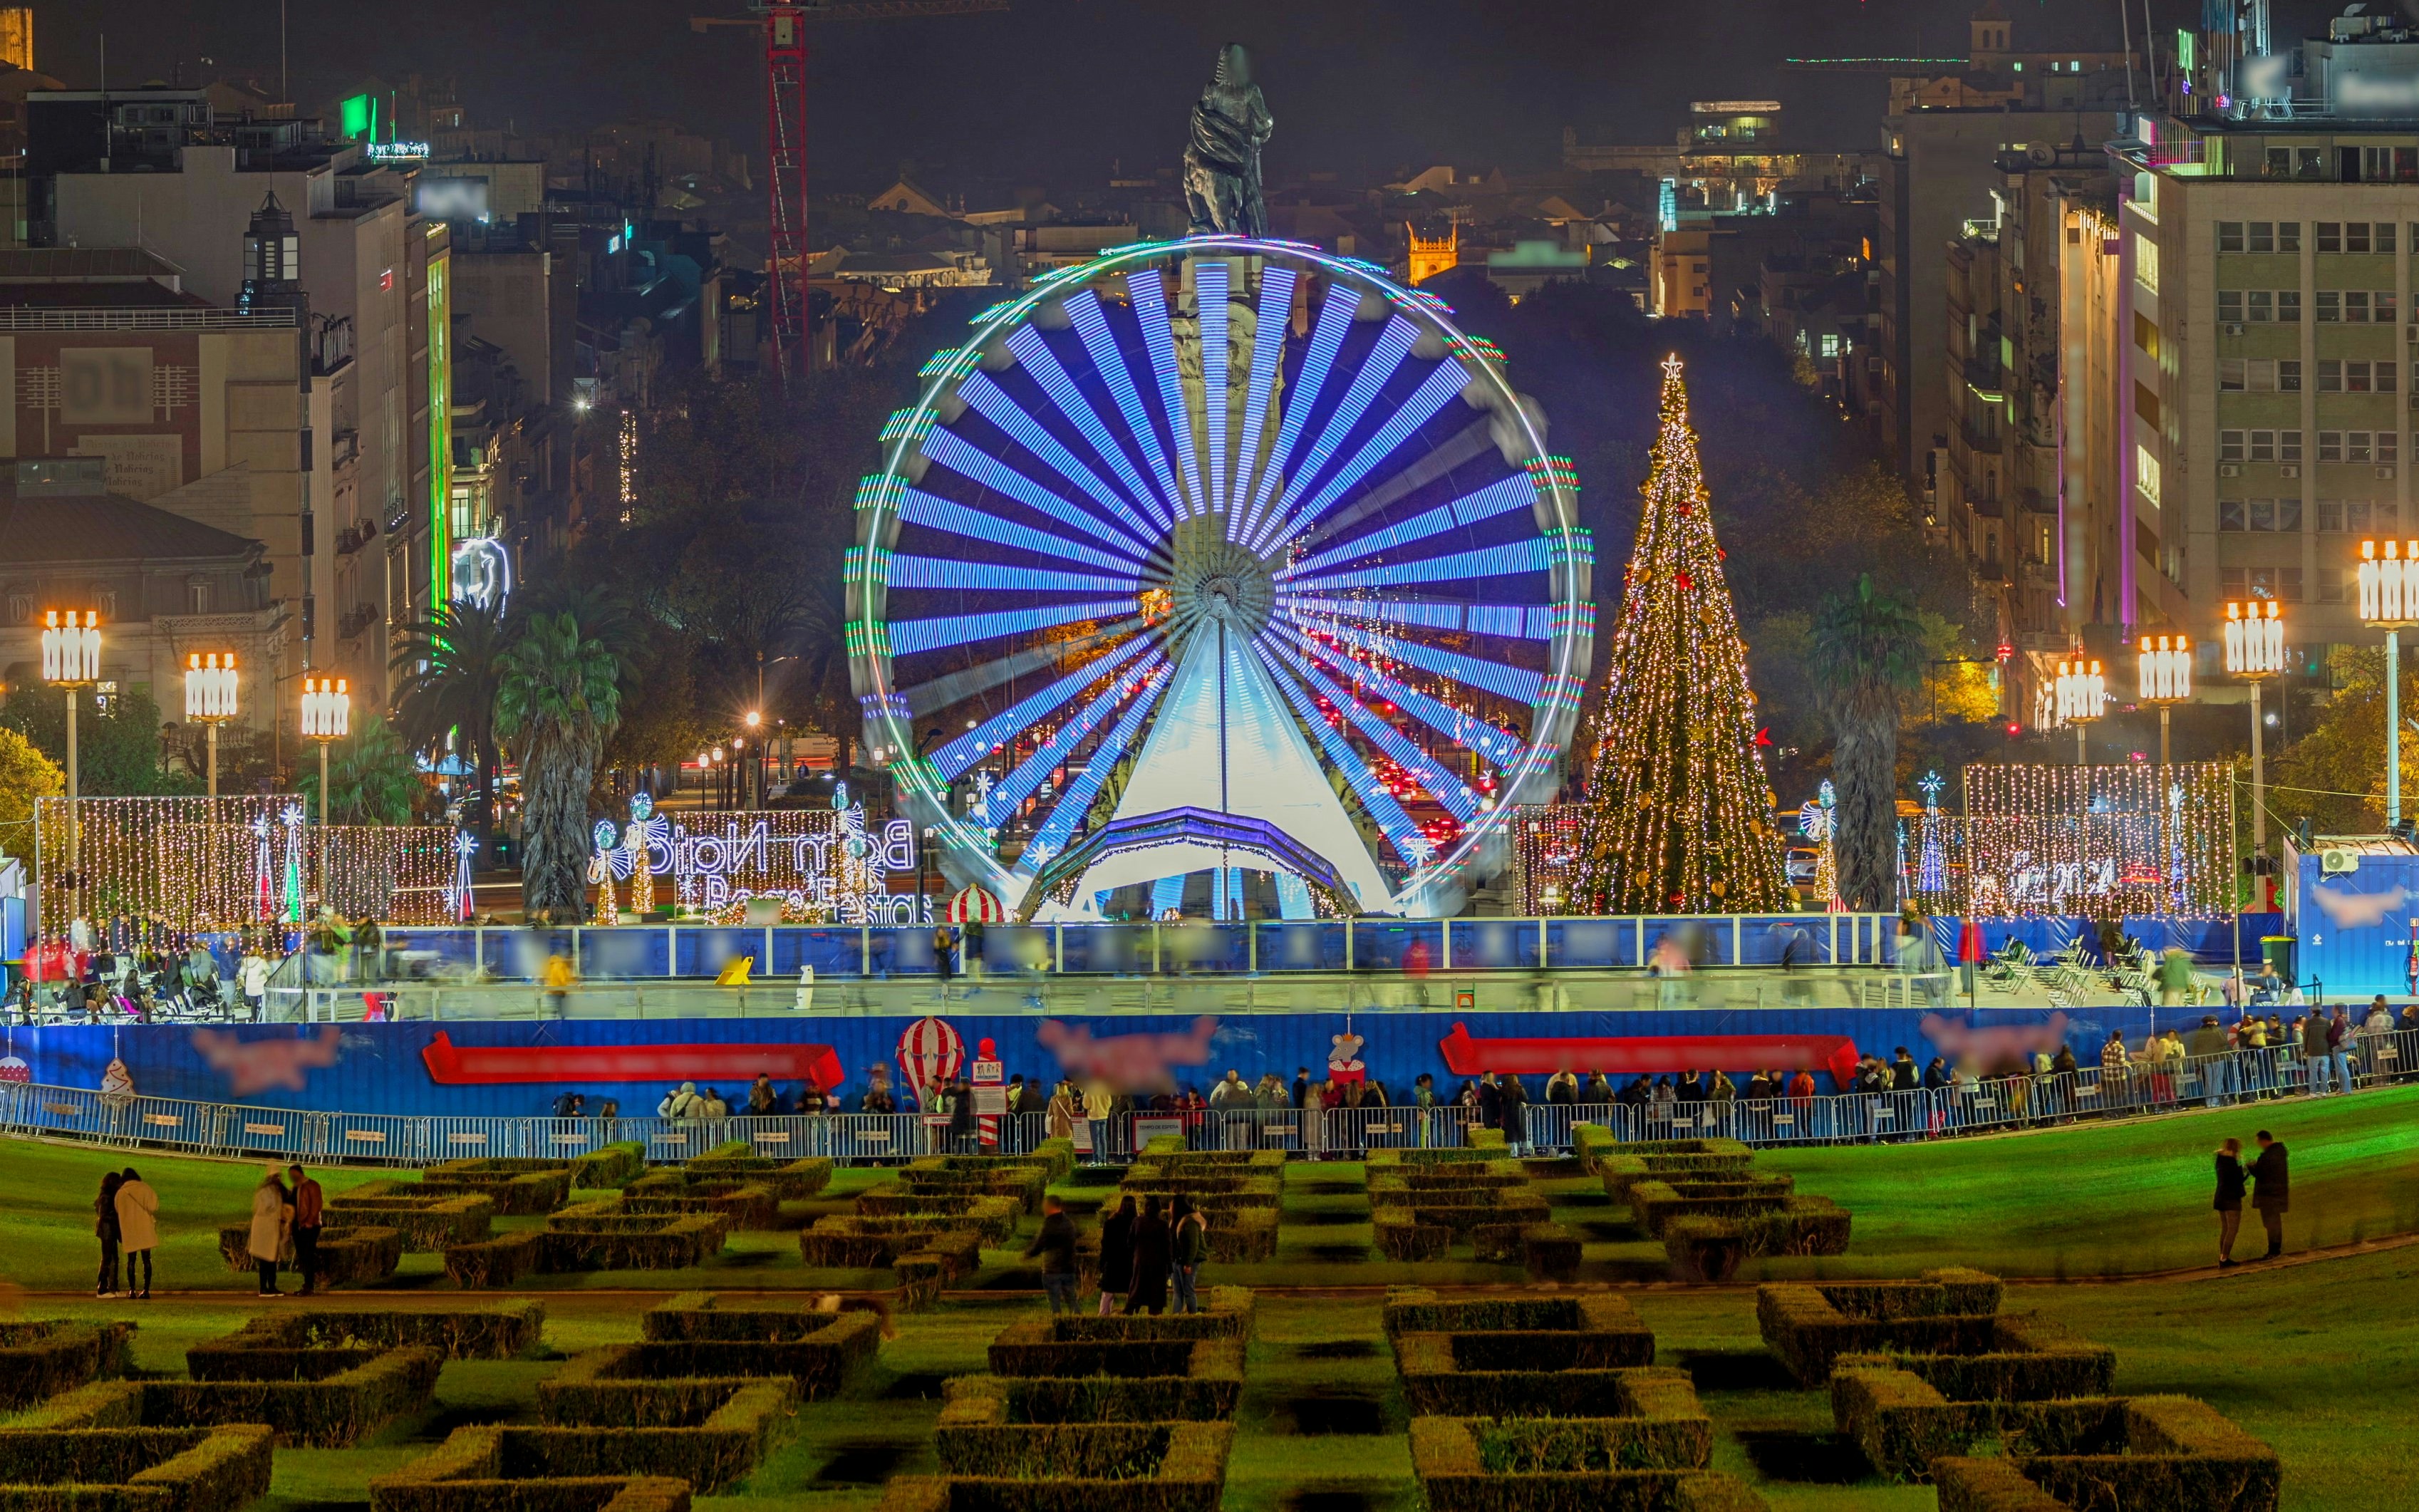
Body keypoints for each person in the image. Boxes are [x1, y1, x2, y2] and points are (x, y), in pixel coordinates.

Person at [1025, 1194, 1079, 1314]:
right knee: (1071, 1300)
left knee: (1055, 1303)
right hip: (1068, 1269)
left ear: (1050, 1207)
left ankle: (1058, 1326)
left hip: (1052, 1270)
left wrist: (1028, 1255)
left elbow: (1038, 1245)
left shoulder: (1048, 1225)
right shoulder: (1069, 1224)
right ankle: (1077, 1323)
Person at [1124, 1193, 1171, 1316]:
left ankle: (1127, 1324)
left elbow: (1130, 1243)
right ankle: (1154, 1331)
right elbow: (1167, 1247)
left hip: (1140, 1263)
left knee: (1135, 1296)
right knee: (1155, 1301)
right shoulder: (1162, 1225)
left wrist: (1135, 1255)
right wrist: (1169, 1266)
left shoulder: (1137, 1222)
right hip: (1158, 1266)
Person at [115, 1166, 158, 1300]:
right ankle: (146, 1290)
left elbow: (117, 1209)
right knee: (147, 1259)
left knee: (131, 1260)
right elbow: (154, 1207)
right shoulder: (145, 1188)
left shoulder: (121, 1193)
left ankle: (132, 1290)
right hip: (145, 1228)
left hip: (130, 1229)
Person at [2248, 1129, 2290, 1259]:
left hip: (2268, 1196)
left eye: (2259, 1142)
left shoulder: (2268, 1156)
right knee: (2275, 1223)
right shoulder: (2279, 1153)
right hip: (2277, 1194)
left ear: (2263, 1140)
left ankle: (2273, 1250)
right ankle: (2275, 1249)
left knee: (2271, 1223)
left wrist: (2251, 1167)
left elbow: (2262, 1174)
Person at [249, 1165, 290, 1296]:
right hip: (264, 1228)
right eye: (277, 1177)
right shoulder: (266, 1192)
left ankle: (272, 1286)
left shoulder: (276, 1191)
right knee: (265, 1260)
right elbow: (266, 1208)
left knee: (272, 1259)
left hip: (272, 1228)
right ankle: (263, 1287)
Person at [287, 1163, 325, 1295]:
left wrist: (309, 1221)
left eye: (293, 1174)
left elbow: (317, 1204)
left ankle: (309, 1285)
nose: (291, 1177)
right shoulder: (295, 1188)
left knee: (308, 1255)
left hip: (310, 1226)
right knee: (303, 1256)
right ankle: (307, 1284)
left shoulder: (312, 1186)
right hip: (298, 1226)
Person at [1097, 1195, 1136, 1316]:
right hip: (1129, 1264)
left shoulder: (1111, 1223)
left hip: (1113, 1264)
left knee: (1107, 1294)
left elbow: (1106, 1245)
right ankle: (1129, 1319)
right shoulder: (1136, 1224)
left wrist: (1102, 1264)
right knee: (1130, 1293)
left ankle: (1102, 1320)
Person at [2212, 1136, 2247, 1268]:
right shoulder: (2232, 1162)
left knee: (2225, 1229)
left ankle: (2222, 1258)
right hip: (2232, 1199)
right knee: (2232, 1230)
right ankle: (2224, 1259)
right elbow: (2238, 1180)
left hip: (2220, 1197)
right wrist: (2245, 1169)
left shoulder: (2220, 1159)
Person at [94, 1171, 125, 1298]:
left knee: (114, 1259)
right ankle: (102, 1288)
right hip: (107, 1231)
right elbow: (103, 1215)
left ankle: (113, 1287)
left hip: (110, 1231)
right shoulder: (106, 1198)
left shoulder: (109, 1196)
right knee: (107, 1258)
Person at [239, 948, 271, 1020]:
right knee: (264, 1003)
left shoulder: (246, 961)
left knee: (254, 1003)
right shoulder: (262, 961)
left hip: (251, 986)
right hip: (261, 986)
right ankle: (264, 1017)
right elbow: (269, 972)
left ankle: (254, 1018)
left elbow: (242, 973)